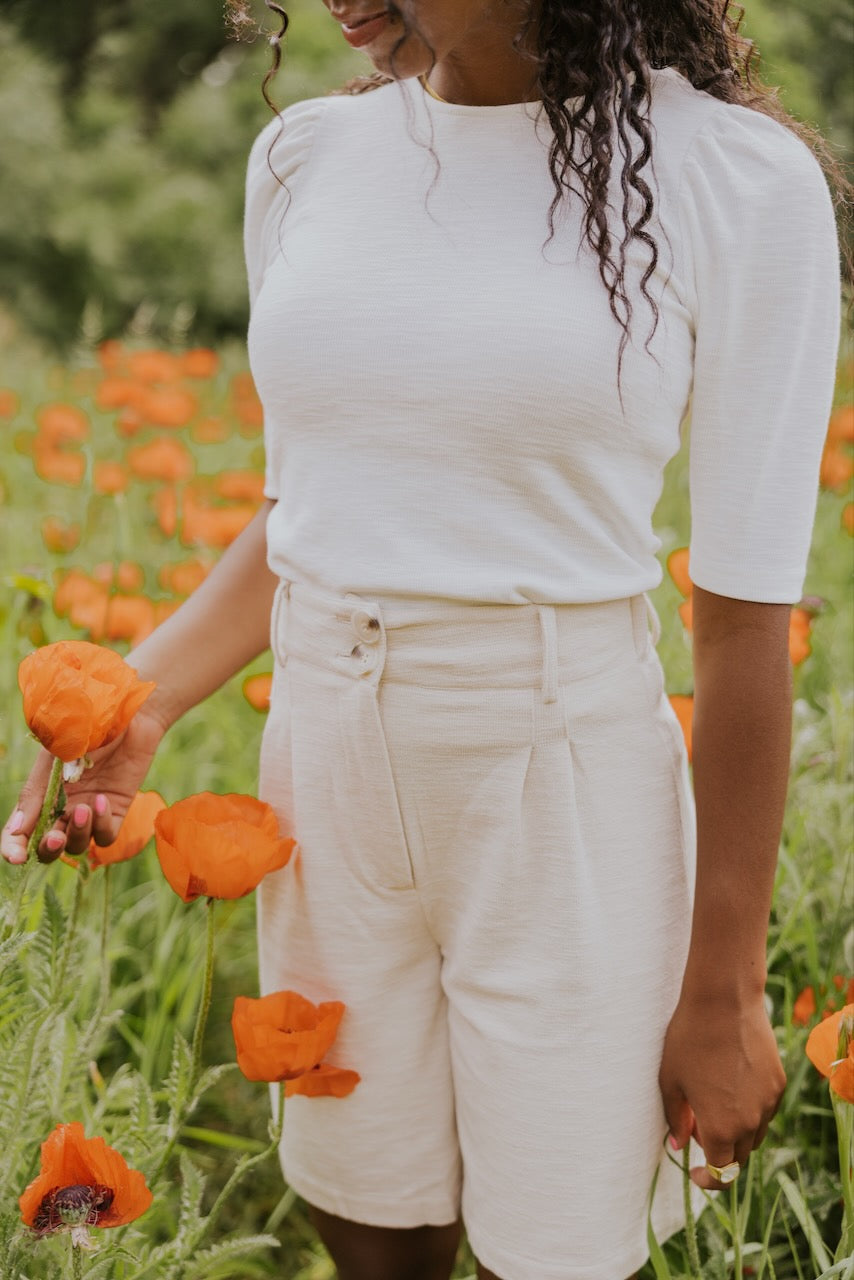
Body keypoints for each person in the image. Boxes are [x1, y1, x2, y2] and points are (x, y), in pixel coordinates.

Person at [3, 1, 848, 1277]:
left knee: (555, 1249)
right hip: (325, 758)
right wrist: (145, 695)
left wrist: (723, 983)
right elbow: (310, 509)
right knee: (367, 1218)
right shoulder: (306, 161)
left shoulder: (731, 178)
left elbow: (740, 622)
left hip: (558, 781)